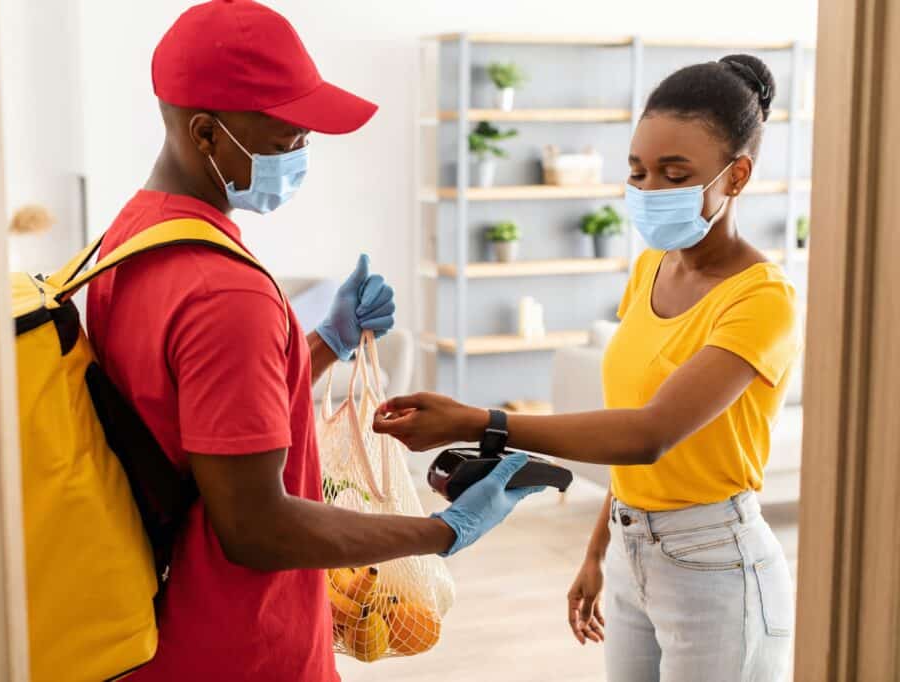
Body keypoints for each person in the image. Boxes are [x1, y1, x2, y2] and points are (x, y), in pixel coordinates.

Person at [86, 2, 539, 680]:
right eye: (285, 138)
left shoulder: (129, 239)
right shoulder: (224, 291)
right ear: (206, 133)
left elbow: (192, 420)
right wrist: (442, 532)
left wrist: (327, 341)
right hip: (245, 648)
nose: (301, 155)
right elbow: (257, 527)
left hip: (162, 635)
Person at [374, 54, 799, 682]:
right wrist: (600, 550)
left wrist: (482, 422)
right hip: (632, 552)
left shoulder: (763, 300)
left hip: (718, 563)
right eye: (638, 171)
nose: (650, 190)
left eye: (675, 174)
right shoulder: (651, 268)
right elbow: (626, 433)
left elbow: (648, 435)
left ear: (736, 176)